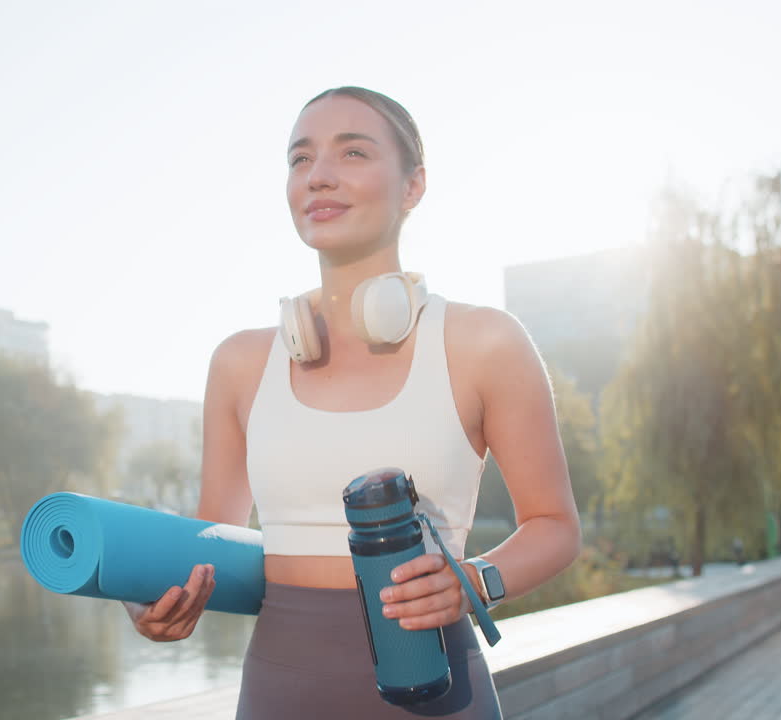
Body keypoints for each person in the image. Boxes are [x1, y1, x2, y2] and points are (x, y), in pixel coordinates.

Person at [122, 86, 582, 718]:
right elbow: (215, 547)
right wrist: (156, 592)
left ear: (413, 185)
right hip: (279, 696)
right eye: (300, 159)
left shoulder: (484, 343)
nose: (320, 177)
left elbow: (555, 527)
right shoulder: (240, 363)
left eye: (354, 153)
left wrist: (476, 581)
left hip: (436, 694)